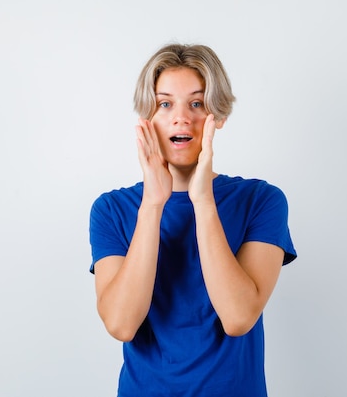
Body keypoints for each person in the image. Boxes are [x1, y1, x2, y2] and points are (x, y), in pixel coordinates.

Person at [89, 43, 297, 397]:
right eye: (165, 103)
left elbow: (238, 318)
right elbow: (122, 324)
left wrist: (202, 200)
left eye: (197, 103)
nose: (181, 117)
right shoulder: (112, 209)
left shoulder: (261, 201)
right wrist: (153, 204)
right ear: (147, 117)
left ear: (219, 115)